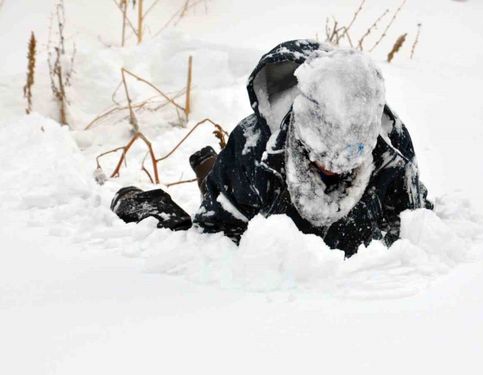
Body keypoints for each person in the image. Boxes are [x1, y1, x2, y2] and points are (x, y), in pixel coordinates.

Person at [111, 40, 433, 257]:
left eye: (350, 156)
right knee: (219, 202)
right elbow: (214, 235)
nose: (334, 167)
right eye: (324, 154)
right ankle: (210, 171)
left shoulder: (392, 148)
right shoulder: (254, 149)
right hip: (271, 248)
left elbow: (416, 224)